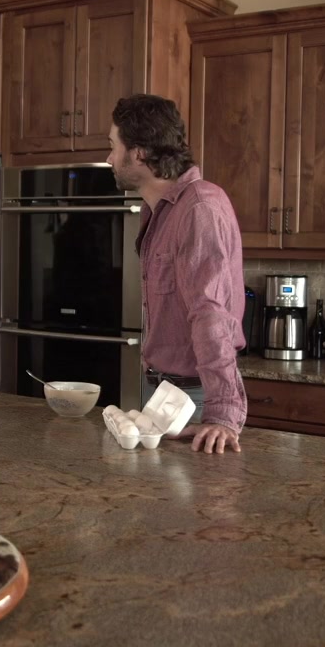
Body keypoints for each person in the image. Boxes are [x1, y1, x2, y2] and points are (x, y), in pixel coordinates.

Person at [107, 94, 247, 454]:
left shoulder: (199, 208)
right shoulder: (158, 211)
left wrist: (222, 414)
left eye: (113, 147)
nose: (109, 159)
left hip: (195, 399)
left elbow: (210, 313)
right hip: (162, 393)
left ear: (138, 153)